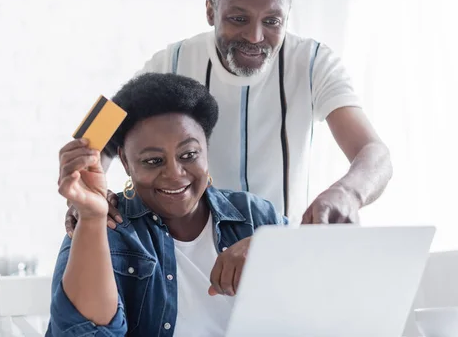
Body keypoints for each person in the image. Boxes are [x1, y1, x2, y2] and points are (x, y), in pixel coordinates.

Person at [63, 0, 392, 232]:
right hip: (190, 260)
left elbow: (375, 154)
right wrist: (89, 190)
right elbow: (95, 134)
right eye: (239, 19)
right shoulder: (172, 60)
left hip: (279, 250)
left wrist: (348, 192)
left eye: (272, 21)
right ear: (210, 11)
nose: (255, 36)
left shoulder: (313, 61)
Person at [47, 73, 286, 337]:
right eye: (153, 161)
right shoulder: (106, 229)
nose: (174, 174)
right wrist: (91, 217)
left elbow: (325, 291)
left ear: (206, 149)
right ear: (125, 163)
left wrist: (271, 250)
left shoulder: (256, 217)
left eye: (188, 155)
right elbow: (81, 334)